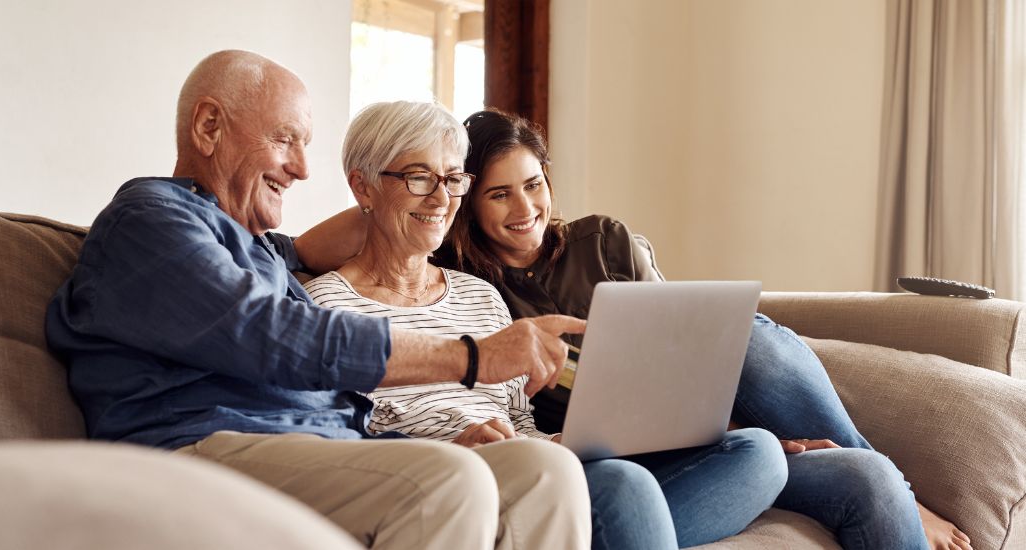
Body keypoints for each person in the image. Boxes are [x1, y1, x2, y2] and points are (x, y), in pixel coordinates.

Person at [298, 107, 972, 550]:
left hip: (588, 447)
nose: (439, 196)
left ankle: (889, 484)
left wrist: (716, 425)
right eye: (426, 181)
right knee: (625, 485)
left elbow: (674, 354)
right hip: (529, 468)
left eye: (450, 179)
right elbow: (346, 422)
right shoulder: (345, 301)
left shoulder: (493, 289)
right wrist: (297, 249)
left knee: (772, 437)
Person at [44, 50, 595, 550]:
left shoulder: (253, 247)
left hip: (318, 444)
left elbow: (288, 259)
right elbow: (273, 333)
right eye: (286, 139)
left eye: (305, 145)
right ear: (209, 126)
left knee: (544, 471)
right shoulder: (149, 221)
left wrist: (329, 237)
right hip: (197, 444)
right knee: (449, 481)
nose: (304, 169)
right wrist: (474, 356)